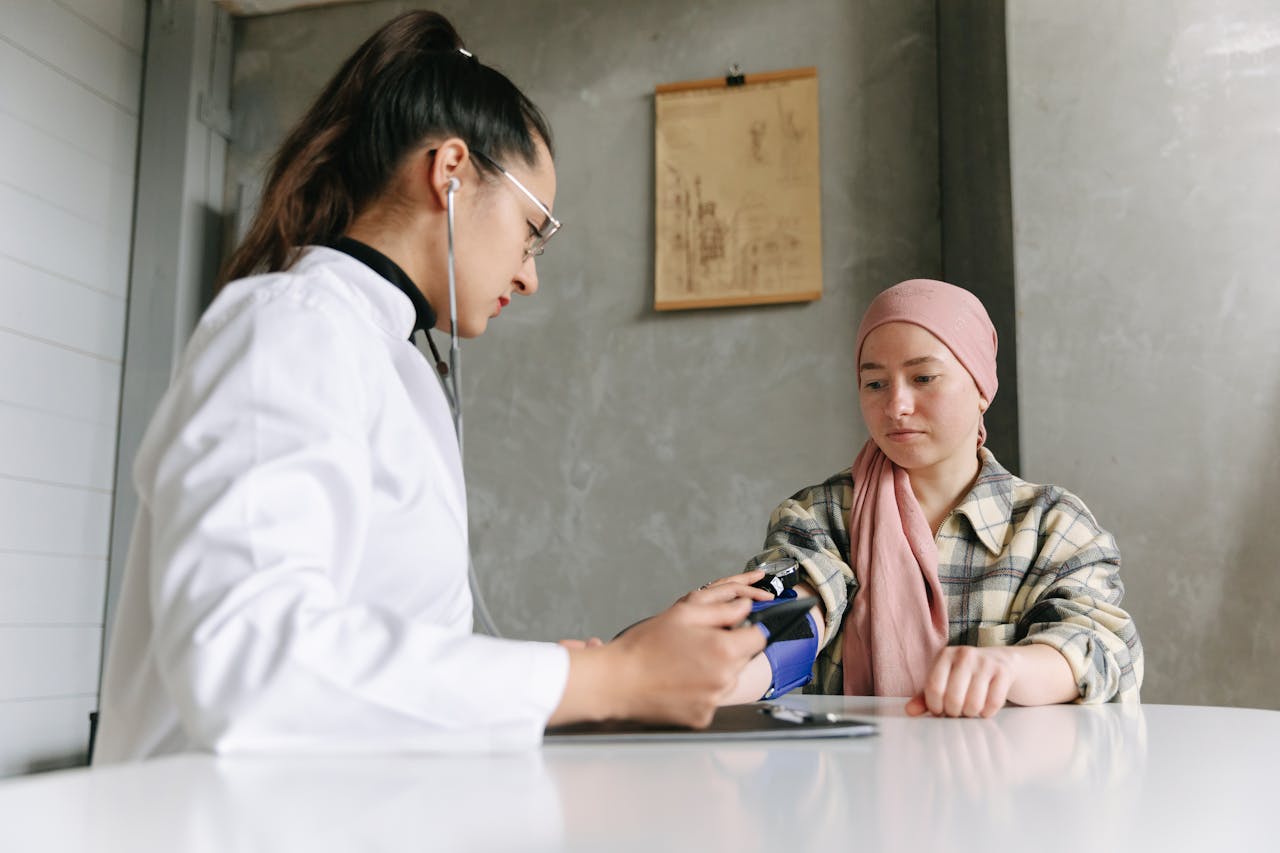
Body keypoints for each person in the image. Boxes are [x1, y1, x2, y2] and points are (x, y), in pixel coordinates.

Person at [94, 10, 764, 762]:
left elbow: (389, 667)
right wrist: (604, 678)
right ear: (450, 171)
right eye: (533, 229)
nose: (530, 275)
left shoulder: (398, 360)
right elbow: (248, 661)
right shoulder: (293, 325)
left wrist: (597, 671)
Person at [707, 278, 1143, 717]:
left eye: (923, 378)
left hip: (1003, 762)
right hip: (856, 760)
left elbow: (1100, 648)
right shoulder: (819, 515)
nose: (896, 406)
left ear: (981, 387)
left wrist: (1010, 667)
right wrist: (722, 675)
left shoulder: (1053, 525)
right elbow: (797, 608)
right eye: (875, 384)